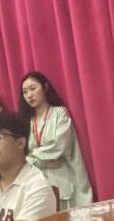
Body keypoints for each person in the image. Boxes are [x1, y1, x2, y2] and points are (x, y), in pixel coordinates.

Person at [19, 71, 93, 209]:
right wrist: (44, 162)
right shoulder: (26, 121)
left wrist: (32, 157)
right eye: (25, 92)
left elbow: (59, 146)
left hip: (62, 179)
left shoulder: (59, 113)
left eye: (33, 89)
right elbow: (20, 155)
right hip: (37, 184)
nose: (29, 95)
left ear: (45, 87)